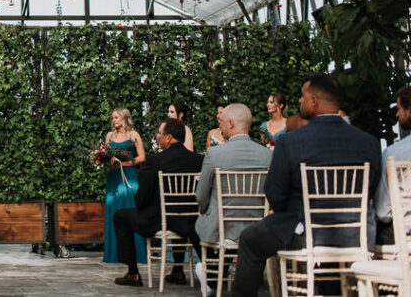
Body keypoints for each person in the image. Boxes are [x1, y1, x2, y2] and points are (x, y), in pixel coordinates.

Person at [232, 74, 381, 297]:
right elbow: (373, 189)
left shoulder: (291, 142)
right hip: (356, 235)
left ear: (314, 101)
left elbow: (275, 194)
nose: (299, 102)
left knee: (249, 240)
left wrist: (287, 213)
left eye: (302, 97)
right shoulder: (369, 143)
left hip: (307, 234)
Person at [112, 118, 203, 287]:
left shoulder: (155, 161)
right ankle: (177, 270)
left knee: (120, 216)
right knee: (179, 214)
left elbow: (141, 199)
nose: (157, 137)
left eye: (159, 134)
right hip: (190, 221)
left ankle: (133, 273)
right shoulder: (198, 160)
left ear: (168, 137)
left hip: (159, 220)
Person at [191, 104, 272, 294]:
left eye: (222, 124)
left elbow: (200, 196)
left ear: (231, 123)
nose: (220, 128)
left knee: (200, 222)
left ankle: (211, 275)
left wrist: (205, 211)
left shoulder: (214, 154)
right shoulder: (268, 156)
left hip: (222, 229)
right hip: (257, 228)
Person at [102, 107, 147, 265]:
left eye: (116, 117)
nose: (113, 120)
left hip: (129, 177)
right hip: (114, 177)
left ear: (124, 118)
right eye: (112, 117)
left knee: (130, 209)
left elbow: (142, 157)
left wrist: (125, 163)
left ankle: (136, 254)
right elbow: (106, 155)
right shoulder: (110, 136)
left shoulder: (133, 135)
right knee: (114, 210)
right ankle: (114, 254)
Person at [374, 86, 411, 245]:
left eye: (399, 108)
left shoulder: (393, 154)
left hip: (405, 233)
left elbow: (383, 212)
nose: (397, 114)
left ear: (409, 111)